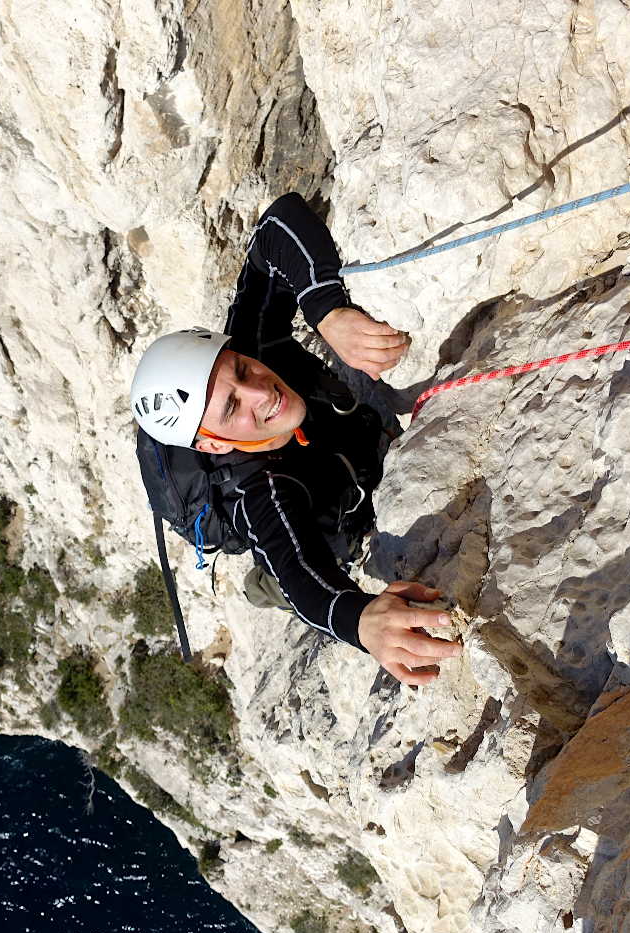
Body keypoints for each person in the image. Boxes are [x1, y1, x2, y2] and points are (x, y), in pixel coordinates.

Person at [130, 193, 461, 685]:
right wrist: (360, 621)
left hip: (354, 444)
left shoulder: (257, 346)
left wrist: (327, 310)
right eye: (231, 408)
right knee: (281, 571)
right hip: (322, 523)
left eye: (242, 370)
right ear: (214, 444)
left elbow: (276, 227)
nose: (260, 392)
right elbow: (303, 576)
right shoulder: (259, 492)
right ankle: (261, 587)